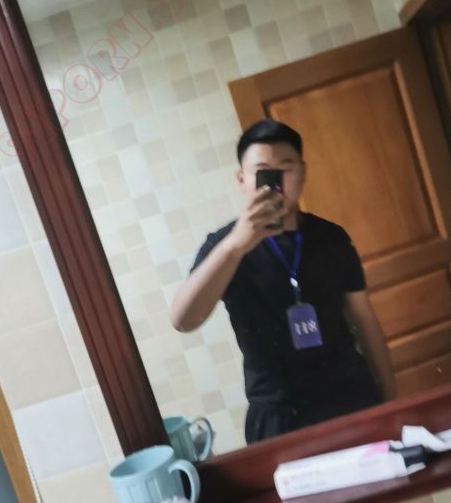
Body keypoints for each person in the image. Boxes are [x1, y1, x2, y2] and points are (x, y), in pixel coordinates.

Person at [170, 119, 397, 444]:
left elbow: (365, 319)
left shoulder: (331, 237)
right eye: (263, 171)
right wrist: (236, 246)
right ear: (242, 180)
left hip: (351, 397)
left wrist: (391, 401)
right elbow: (183, 320)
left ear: (303, 173)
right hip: (277, 414)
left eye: (286, 168)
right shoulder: (224, 246)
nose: (277, 181)